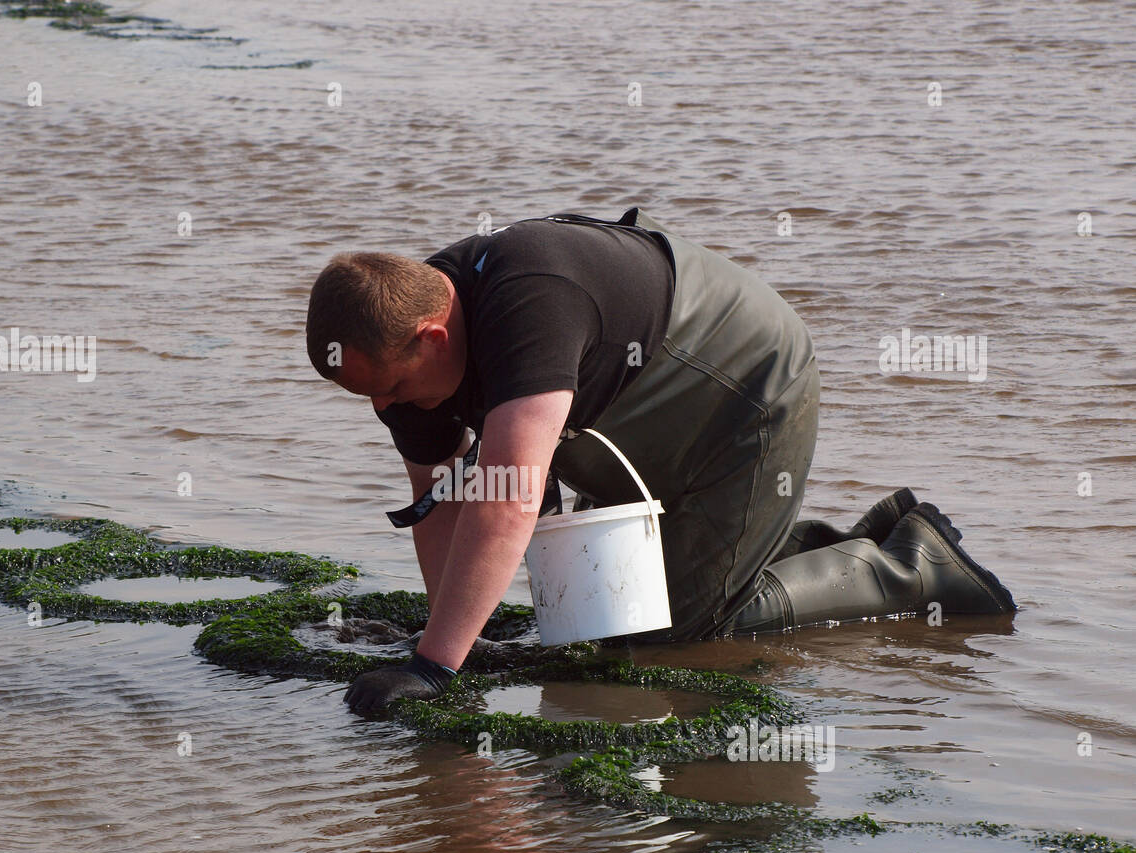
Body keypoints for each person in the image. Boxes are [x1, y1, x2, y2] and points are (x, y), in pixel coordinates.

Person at [305, 208, 1015, 712]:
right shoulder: (401, 352)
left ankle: (913, 566)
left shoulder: (528, 309)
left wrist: (433, 667)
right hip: (633, 424)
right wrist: (453, 635)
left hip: (747, 391)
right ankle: (850, 533)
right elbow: (443, 505)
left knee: (675, 629)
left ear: (430, 337)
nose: (386, 407)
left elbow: (509, 499)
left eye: (391, 388)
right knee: (604, 613)